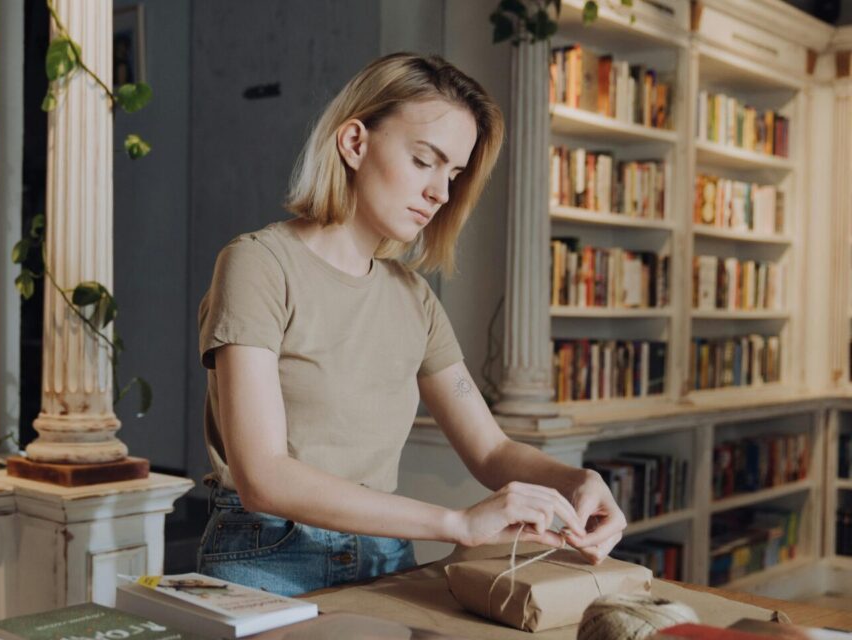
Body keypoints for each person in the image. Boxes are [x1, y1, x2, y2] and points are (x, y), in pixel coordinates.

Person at [195, 53, 627, 596]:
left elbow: (490, 451)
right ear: (354, 143)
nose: (441, 193)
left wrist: (577, 481)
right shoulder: (258, 264)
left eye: (454, 174)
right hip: (269, 556)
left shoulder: (414, 298)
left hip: (386, 559)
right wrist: (456, 524)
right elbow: (263, 477)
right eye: (425, 160)